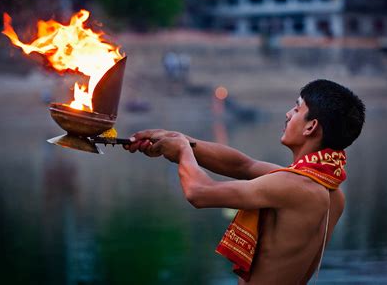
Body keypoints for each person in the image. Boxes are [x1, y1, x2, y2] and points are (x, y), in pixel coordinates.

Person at [123, 79, 365, 284]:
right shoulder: (327, 190)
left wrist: (182, 151)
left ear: (311, 127)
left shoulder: (293, 186)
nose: (288, 114)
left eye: (297, 108)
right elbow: (242, 165)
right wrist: (175, 138)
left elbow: (199, 192)